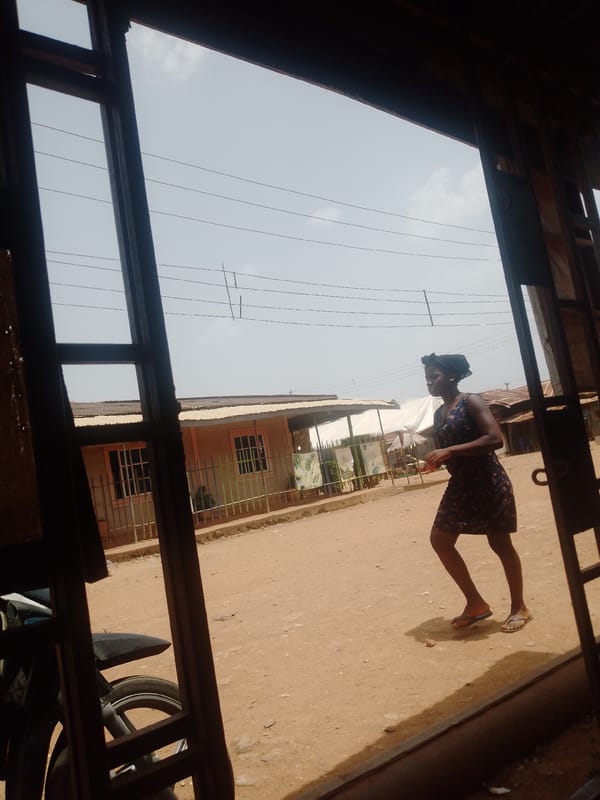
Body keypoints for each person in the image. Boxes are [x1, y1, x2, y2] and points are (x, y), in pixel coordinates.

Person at [421, 352, 532, 633]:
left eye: (433, 376)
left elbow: (494, 439)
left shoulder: (471, 401)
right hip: (461, 485)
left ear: (452, 376)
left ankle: (519, 607)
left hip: (488, 482)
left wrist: (450, 450)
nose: (429, 382)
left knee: (500, 544)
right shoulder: (439, 413)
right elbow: (452, 449)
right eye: (426, 378)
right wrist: (439, 460)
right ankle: (475, 603)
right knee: (440, 540)